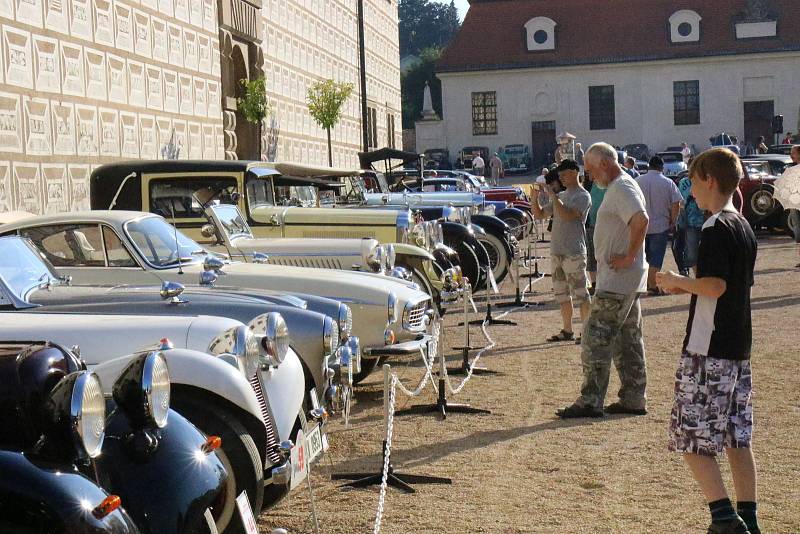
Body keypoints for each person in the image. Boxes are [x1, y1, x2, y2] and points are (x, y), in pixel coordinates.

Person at [656, 148, 760, 534]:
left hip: (709, 347)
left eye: (694, 183)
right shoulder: (743, 225)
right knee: (736, 436)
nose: (690, 193)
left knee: (691, 436)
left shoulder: (716, 227)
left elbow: (715, 286)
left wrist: (676, 281)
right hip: (737, 346)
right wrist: (689, 285)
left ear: (710, 181)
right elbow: (726, 285)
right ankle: (748, 517)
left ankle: (723, 518)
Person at [556, 142, 649, 419]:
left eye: (592, 170)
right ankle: (633, 396)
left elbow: (641, 220)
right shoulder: (621, 186)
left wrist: (628, 256)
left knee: (595, 339)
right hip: (625, 280)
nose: (590, 177)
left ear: (605, 164)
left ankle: (590, 400)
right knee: (627, 339)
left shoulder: (622, 188)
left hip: (617, 280)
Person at [531, 160, 592, 344]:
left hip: (573, 251)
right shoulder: (562, 195)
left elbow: (567, 215)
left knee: (581, 294)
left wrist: (553, 196)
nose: (561, 179)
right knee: (562, 294)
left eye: (564, 175)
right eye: (560, 176)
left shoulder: (583, 196)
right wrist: (534, 198)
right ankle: (567, 330)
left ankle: (586, 331)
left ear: (575, 172)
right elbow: (541, 214)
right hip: (557, 251)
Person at [636, 156, 682, 294]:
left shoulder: (637, 181)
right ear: (662, 168)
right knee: (656, 258)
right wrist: (673, 221)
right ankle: (652, 285)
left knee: (642, 257)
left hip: (640, 225)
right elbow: (676, 203)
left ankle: (645, 284)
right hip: (661, 225)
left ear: (649, 166)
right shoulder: (668, 183)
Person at [673, 174, 705, 276]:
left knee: (695, 252)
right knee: (691, 253)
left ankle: (700, 277)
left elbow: (681, 203)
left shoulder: (705, 179)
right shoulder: (685, 182)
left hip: (698, 220)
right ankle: (698, 277)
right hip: (693, 221)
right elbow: (681, 202)